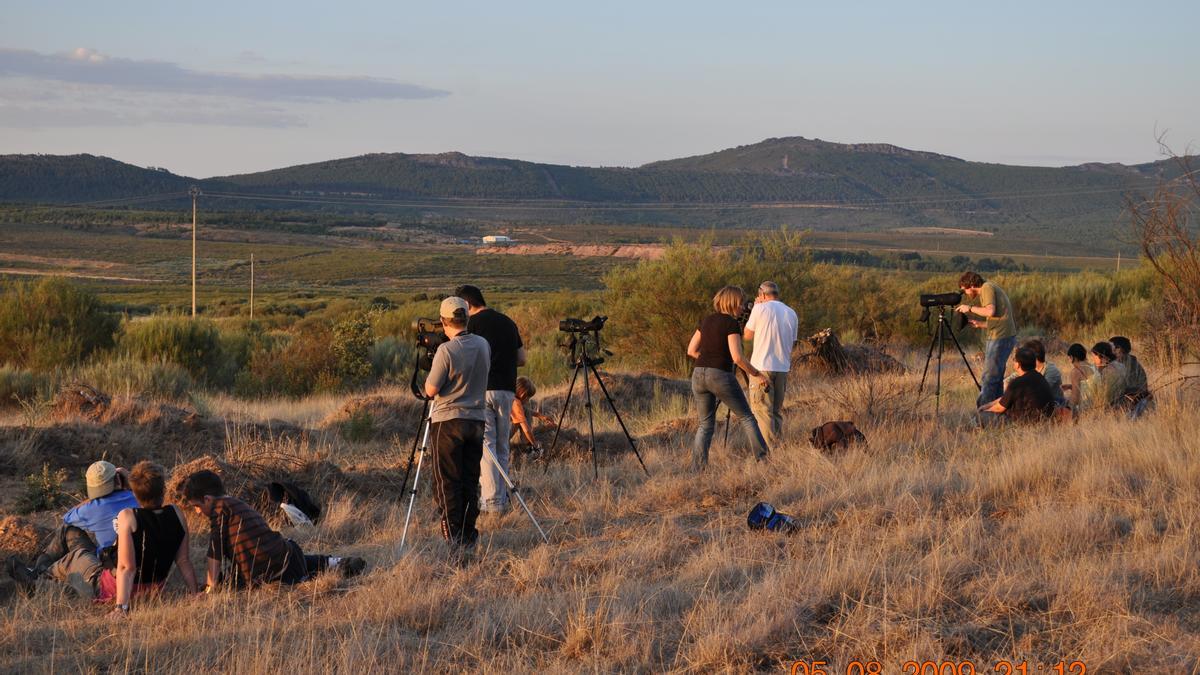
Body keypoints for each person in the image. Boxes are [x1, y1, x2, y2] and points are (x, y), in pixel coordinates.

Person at [182, 470, 365, 588]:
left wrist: (210, 589)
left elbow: (215, 551)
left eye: (196, 506)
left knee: (228, 585)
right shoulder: (235, 503)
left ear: (207, 499)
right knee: (303, 563)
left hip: (270, 572)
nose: (197, 512)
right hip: (289, 552)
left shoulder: (219, 509)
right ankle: (336, 562)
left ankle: (317, 577)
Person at [5, 460, 139, 597]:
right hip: (131, 566)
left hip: (109, 573)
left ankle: (37, 579)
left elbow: (67, 518)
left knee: (72, 543)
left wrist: (93, 499)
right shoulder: (137, 498)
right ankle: (37, 572)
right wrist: (130, 484)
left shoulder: (92, 508)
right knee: (71, 534)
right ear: (118, 479)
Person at [423, 296, 491, 548]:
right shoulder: (483, 344)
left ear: (443, 322)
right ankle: (469, 534)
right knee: (470, 479)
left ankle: (453, 537)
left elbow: (430, 390)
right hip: (476, 420)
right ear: (466, 317)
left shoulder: (445, 351)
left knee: (448, 481)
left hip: (449, 422)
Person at [455, 284, 525, 515]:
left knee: (487, 448)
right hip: (507, 390)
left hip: (481, 390)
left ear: (466, 304)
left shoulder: (471, 325)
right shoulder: (507, 321)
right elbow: (521, 359)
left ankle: (492, 502)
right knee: (503, 446)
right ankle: (502, 499)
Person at [686, 286, 771, 470]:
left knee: (705, 425)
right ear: (732, 302)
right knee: (747, 417)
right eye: (741, 303)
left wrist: (709, 358)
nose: (743, 307)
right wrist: (757, 374)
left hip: (698, 374)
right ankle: (764, 461)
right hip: (720, 375)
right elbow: (737, 358)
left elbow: (691, 351)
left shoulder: (706, 320)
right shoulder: (730, 324)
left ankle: (697, 469)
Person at [106, 461, 199, 617]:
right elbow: (183, 560)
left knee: (80, 557)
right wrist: (195, 593)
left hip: (121, 588)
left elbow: (126, 567)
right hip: (156, 587)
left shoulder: (128, 516)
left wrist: (120, 608)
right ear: (163, 490)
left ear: (134, 493)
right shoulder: (176, 513)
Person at [743, 281, 799, 446]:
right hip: (782, 367)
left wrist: (754, 310)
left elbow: (747, 335)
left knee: (762, 411)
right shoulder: (791, 312)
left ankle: (769, 453)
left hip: (761, 368)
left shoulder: (759, 309)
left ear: (761, 294)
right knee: (775, 412)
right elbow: (793, 342)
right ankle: (778, 448)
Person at [955, 271, 1017, 407]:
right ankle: (997, 411)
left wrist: (969, 308)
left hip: (1000, 338)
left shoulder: (986, 288)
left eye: (964, 290)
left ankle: (982, 412)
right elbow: (999, 318)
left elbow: (990, 311)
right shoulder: (988, 288)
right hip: (1002, 335)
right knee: (997, 378)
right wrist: (980, 324)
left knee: (989, 378)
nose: (964, 293)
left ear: (971, 285)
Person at [978, 347, 1057, 425]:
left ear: (1018, 364)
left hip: (1023, 423)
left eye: (1014, 360)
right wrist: (987, 406)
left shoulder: (1017, 383)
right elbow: (1005, 398)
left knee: (982, 416)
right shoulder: (1040, 377)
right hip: (1045, 420)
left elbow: (1000, 408)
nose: (1013, 362)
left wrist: (985, 411)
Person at [1004, 338, 1066, 408]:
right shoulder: (1028, 367)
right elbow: (1007, 381)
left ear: (1034, 357)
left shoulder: (1051, 370)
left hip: (1053, 404)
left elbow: (1041, 392)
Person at [510, 376, 556, 458]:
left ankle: (527, 443)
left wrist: (541, 416)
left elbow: (525, 410)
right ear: (523, 395)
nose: (528, 401)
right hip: (500, 436)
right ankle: (529, 447)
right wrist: (535, 445)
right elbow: (526, 429)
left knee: (525, 411)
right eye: (528, 398)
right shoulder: (516, 403)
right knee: (521, 419)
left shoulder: (511, 397)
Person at [1110, 335, 1153, 416]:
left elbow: (1129, 390)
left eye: (1110, 348)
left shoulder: (1131, 366)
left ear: (1119, 349)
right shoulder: (1119, 363)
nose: (1109, 351)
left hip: (1130, 402)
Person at [1081, 341, 1128, 412]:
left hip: (1108, 406)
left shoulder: (1106, 370)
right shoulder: (1121, 366)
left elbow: (1101, 394)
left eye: (1094, 356)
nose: (1093, 359)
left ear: (1101, 357)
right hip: (1121, 401)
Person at [1061, 343, 1098, 411]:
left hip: (1085, 409)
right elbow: (1089, 386)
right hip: (1098, 406)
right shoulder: (1094, 367)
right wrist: (1071, 386)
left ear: (1072, 357)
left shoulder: (1076, 371)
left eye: (1069, 358)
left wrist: (1066, 407)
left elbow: (1075, 398)